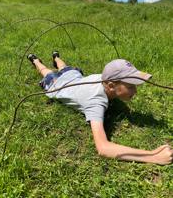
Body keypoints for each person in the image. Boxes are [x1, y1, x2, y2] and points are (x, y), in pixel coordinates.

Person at [27, 51, 173, 165]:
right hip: (57, 84)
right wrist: (153, 156)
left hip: (73, 76)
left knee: (64, 68)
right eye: (130, 86)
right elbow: (103, 148)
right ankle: (36, 60)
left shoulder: (103, 77)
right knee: (47, 71)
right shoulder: (96, 102)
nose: (135, 91)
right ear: (110, 86)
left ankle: (55, 57)